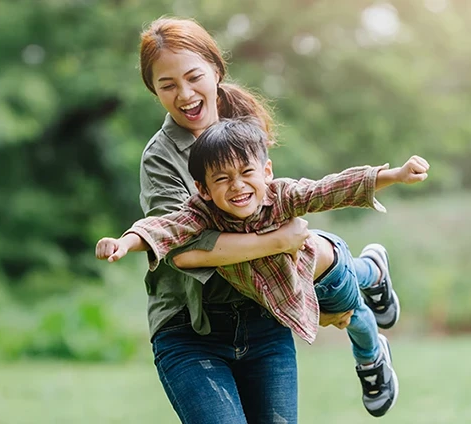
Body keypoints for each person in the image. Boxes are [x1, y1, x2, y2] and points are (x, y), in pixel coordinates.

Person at [97, 16, 366, 423]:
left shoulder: (244, 128)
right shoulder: (161, 157)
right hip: (191, 329)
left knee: (326, 252)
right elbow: (183, 250)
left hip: (261, 320)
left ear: (216, 70)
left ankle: (364, 287)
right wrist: (280, 242)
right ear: (154, 91)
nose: (184, 94)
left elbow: (286, 202)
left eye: (193, 77)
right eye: (167, 85)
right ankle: (361, 287)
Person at [98, 118, 428, 417]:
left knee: (351, 311)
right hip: (278, 294)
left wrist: (394, 175)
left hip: (321, 272)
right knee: (350, 303)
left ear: (266, 171)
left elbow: (329, 189)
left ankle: (372, 302)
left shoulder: (283, 195)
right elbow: (165, 228)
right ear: (203, 189)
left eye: (246, 173)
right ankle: (371, 270)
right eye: (222, 179)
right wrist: (124, 242)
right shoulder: (201, 214)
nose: (237, 186)